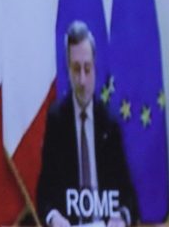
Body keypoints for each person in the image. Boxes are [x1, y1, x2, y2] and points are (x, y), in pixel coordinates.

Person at [37, 21, 138, 227]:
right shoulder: (56, 121)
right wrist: (54, 218)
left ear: (95, 67)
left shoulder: (110, 123)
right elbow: (44, 195)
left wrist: (122, 217)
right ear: (68, 69)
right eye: (76, 69)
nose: (82, 80)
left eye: (87, 69)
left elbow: (129, 197)